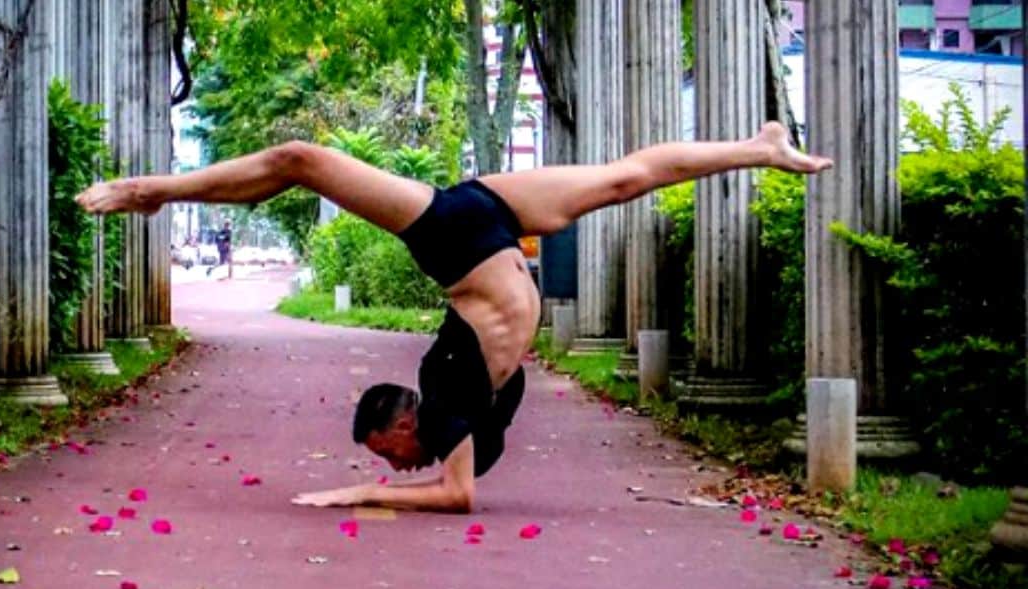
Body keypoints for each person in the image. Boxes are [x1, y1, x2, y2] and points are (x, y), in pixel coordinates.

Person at [76, 122, 832, 514]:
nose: (393, 467)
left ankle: (153, 190)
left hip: (458, 236)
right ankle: (758, 150)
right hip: (490, 221)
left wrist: (357, 495)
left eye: (386, 454)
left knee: (299, 161)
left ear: (407, 425)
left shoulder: (442, 403)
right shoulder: (465, 409)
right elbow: (464, 483)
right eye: (383, 466)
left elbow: (455, 494)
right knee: (626, 177)